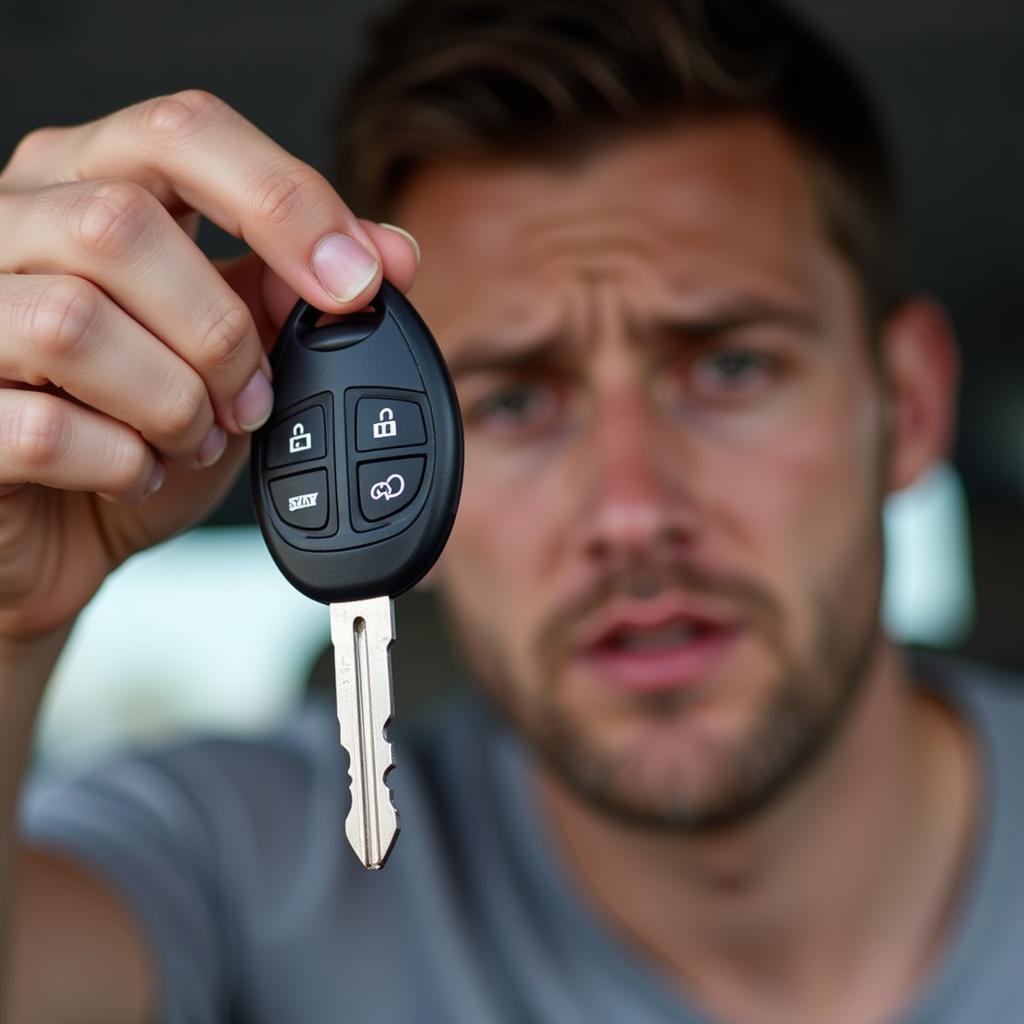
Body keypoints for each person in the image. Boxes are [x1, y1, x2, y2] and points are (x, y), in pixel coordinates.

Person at [0, 0, 1017, 1021]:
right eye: (515, 403)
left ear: (911, 404)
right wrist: (9, 633)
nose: (629, 509)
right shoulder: (230, 861)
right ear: (417, 471)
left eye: (731, 367)